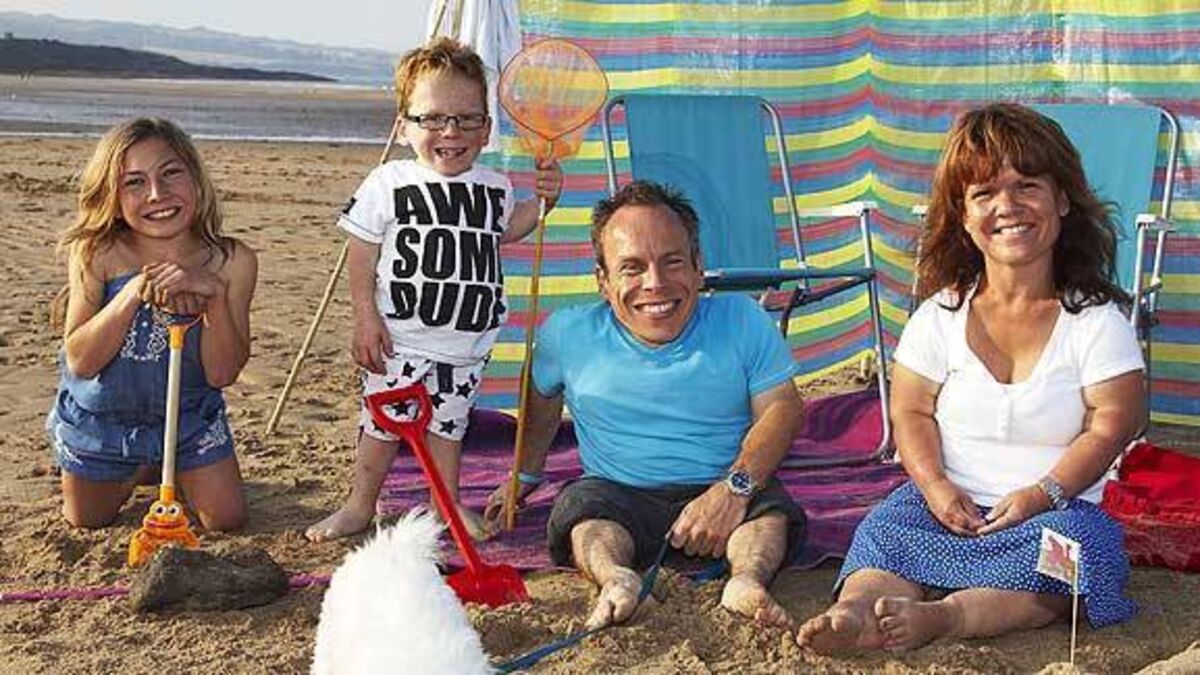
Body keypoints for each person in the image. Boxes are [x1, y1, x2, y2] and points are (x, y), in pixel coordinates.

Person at [797, 102, 1145, 654]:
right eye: (984, 193)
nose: (1007, 206)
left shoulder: (1097, 322)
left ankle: (947, 616)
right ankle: (857, 611)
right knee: (885, 529)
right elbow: (910, 410)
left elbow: (1113, 424)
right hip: (946, 509)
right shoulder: (938, 316)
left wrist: (1042, 494)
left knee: (1080, 555)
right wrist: (936, 488)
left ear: (1062, 200)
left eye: (1027, 185)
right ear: (962, 214)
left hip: (1055, 510)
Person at [484, 180, 807, 629]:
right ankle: (617, 579)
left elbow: (783, 410)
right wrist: (525, 474)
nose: (655, 283)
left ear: (698, 266)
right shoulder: (567, 333)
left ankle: (746, 582)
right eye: (631, 268)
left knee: (771, 513)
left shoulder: (743, 319)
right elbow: (540, 394)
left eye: (672, 262)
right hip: (617, 494)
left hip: (723, 485)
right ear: (603, 280)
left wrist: (733, 490)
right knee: (580, 510)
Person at [305, 37, 562, 542]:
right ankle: (360, 504)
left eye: (467, 119)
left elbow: (510, 229)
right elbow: (362, 251)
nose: (451, 131)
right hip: (400, 339)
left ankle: (444, 504)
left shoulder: (495, 187)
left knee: (449, 427)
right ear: (404, 126)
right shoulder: (390, 181)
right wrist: (365, 318)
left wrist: (544, 203)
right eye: (433, 118)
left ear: (486, 129)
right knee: (381, 425)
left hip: (466, 343)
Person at [46, 117, 257, 531]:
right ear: (112, 195)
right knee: (87, 520)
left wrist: (214, 297)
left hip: (188, 418)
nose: (157, 194)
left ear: (195, 178)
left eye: (171, 173)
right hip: (104, 418)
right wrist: (133, 292)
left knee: (227, 519)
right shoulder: (97, 252)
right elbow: (81, 361)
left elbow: (222, 373)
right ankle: (139, 465)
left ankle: (167, 461)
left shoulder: (232, 261)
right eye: (134, 182)